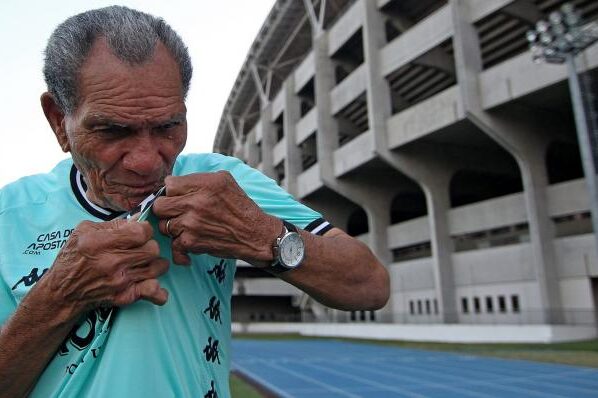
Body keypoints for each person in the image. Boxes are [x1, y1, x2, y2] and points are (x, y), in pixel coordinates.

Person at [0, 6, 389, 398]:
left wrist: (262, 235)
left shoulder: (219, 182)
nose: (146, 160)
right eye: (113, 130)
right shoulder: (8, 217)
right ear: (58, 121)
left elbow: (369, 286)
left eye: (168, 126)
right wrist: (61, 295)